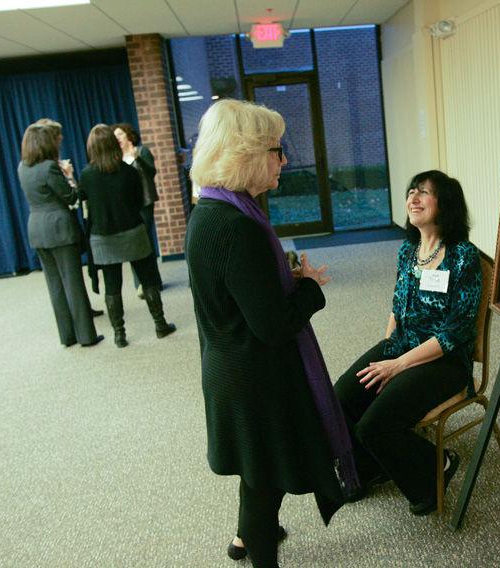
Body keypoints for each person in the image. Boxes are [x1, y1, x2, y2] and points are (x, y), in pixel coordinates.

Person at [184, 99, 359, 568]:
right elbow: (276, 325)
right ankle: (258, 550)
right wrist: (309, 289)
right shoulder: (239, 227)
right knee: (265, 474)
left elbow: (236, 289)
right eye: (276, 150)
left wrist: (279, 275)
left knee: (259, 465)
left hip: (230, 365)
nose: (284, 160)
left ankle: (243, 538)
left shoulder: (210, 211)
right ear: (244, 154)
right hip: (253, 377)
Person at [334, 170, 481, 516]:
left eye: (424, 193)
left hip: (444, 361)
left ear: (445, 204)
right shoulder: (407, 251)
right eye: (411, 191)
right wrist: (386, 352)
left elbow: (454, 332)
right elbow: (396, 307)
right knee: (342, 396)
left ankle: (437, 465)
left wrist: (398, 366)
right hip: (401, 345)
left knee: (374, 425)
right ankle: (372, 468)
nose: (413, 198)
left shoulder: (463, 257)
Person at [79, 124, 176, 348]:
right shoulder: (129, 171)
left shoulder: (86, 175)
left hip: (103, 238)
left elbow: (84, 201)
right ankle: (160, 325)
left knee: (112, 286)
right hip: (133, 231)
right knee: (148, 279)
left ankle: (119, 335)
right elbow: (139, 202)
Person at [17, 122, 103, 347]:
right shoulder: (48, 167)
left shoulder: (22, 168)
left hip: (36, 229)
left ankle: (68, 336)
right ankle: (87, 336)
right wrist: (70, 176)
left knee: (55, 285)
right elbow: (71, 198)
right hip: (59, 230)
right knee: (73, 282)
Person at [111, 123, 163, 296]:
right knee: (135, 243)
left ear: (128, 136)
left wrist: (137, 158)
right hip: (128, 205)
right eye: (115, 135)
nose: (117, 137)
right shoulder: (116, 157)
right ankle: (141, 283)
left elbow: (151, 172)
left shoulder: (142, 151)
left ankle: (152, 282)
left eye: (120, 134)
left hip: (144, 202)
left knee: (145, 241)